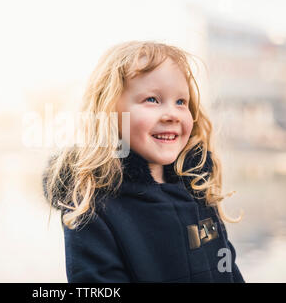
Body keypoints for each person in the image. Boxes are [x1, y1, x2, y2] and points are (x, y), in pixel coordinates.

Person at [42, 41, 245, 283]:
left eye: (181, 102)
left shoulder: (198, 185)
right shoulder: (93, 206)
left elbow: (228, 269)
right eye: (152, 99)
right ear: (109, 112)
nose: (171, 114)